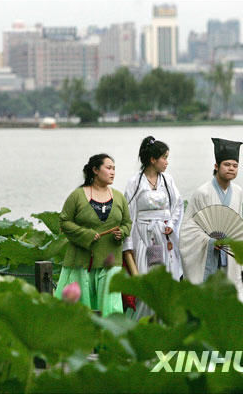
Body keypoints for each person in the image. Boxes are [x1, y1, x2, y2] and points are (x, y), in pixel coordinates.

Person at [179, 138, 243, 311]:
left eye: (235, 165)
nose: (231, 168)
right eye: (227, 164)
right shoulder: (202, 193)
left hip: (231, 254)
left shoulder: (238, 192)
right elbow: (188, 230)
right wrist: (210, 242)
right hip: (209, 254)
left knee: (238, 300)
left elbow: (238, 225)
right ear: (216, 166)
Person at [55, 154, 132, 316]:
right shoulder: (77, 196)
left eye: (114, 169)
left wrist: (122, 233)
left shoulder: (118, 197)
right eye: (108, 168)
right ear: (95, 170)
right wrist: (86, 234)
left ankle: (109, 337)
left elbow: (127, 223)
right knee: (79, 309)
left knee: (111, 307)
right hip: (82, 261)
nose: (112, 172)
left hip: (110, 261)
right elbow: (64, 222)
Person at [123, 136, 184, 319]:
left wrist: (171, 225)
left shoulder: (167, 181)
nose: (166, 162)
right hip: (143, 237)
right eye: (164, 157)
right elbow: (129, 214)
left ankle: (164, 324)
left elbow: (178, 205)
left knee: (164, 282)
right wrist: (128, 247)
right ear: (152, 160)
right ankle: (141, 324)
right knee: (145, 281)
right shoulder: (135, 182)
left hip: (163, 239)